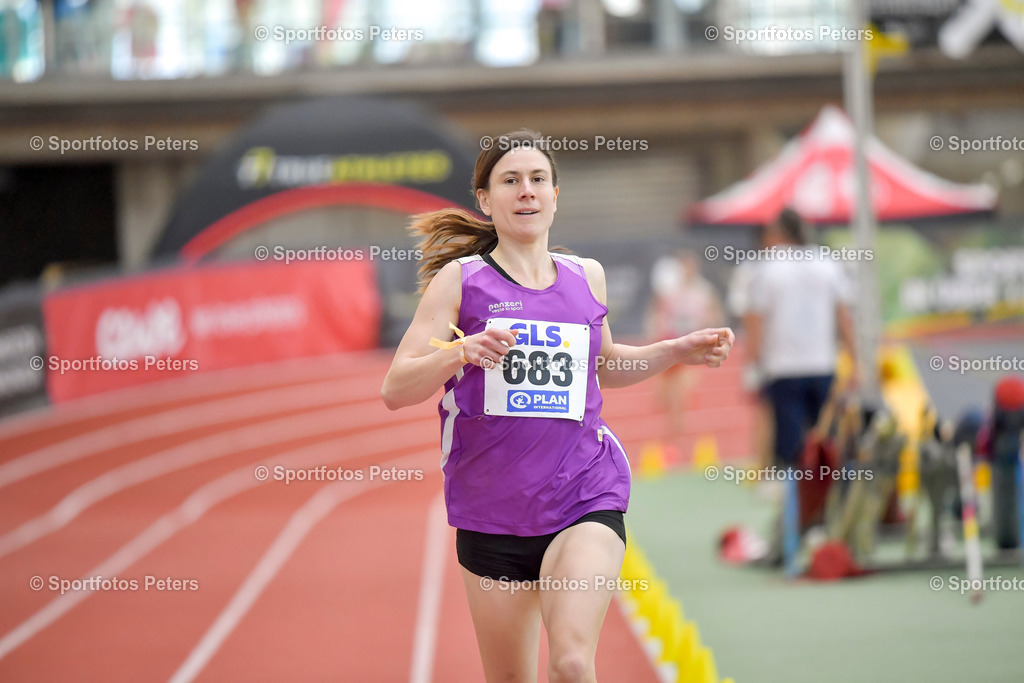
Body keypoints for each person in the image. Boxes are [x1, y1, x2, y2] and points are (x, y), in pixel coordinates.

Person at [381, 129, 735, 682]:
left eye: (538, 180)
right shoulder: (460, 282)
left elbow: (605, 365)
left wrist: (673, 350)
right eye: (511, 181)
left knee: (571, 663)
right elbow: (396, 389)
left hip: (582, 495)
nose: (526, 191)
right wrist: (460, 351)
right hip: (491, 514)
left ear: (555, 194)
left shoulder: (584, 276)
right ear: (485, 200)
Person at [743, 207, 857, 571]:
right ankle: (822, 526)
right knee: (827, 452)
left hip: (784, 369)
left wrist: (753, 366)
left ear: (779, 233)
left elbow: (756, 321)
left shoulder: (768, 266)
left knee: (791, 455)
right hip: (822, 366)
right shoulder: (827, 263)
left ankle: (794, 534)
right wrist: (856, 361)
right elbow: (843, 315)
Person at [646, 249, 723, 457]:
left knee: (679, 395)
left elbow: (715, 312)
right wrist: (655, 330)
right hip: (669, 343)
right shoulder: (670, 288)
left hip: (691, 348)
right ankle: (672, 432)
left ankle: (675, 438)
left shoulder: (703, 291)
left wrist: (708, 325)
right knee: (665, 395)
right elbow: (657, 311)